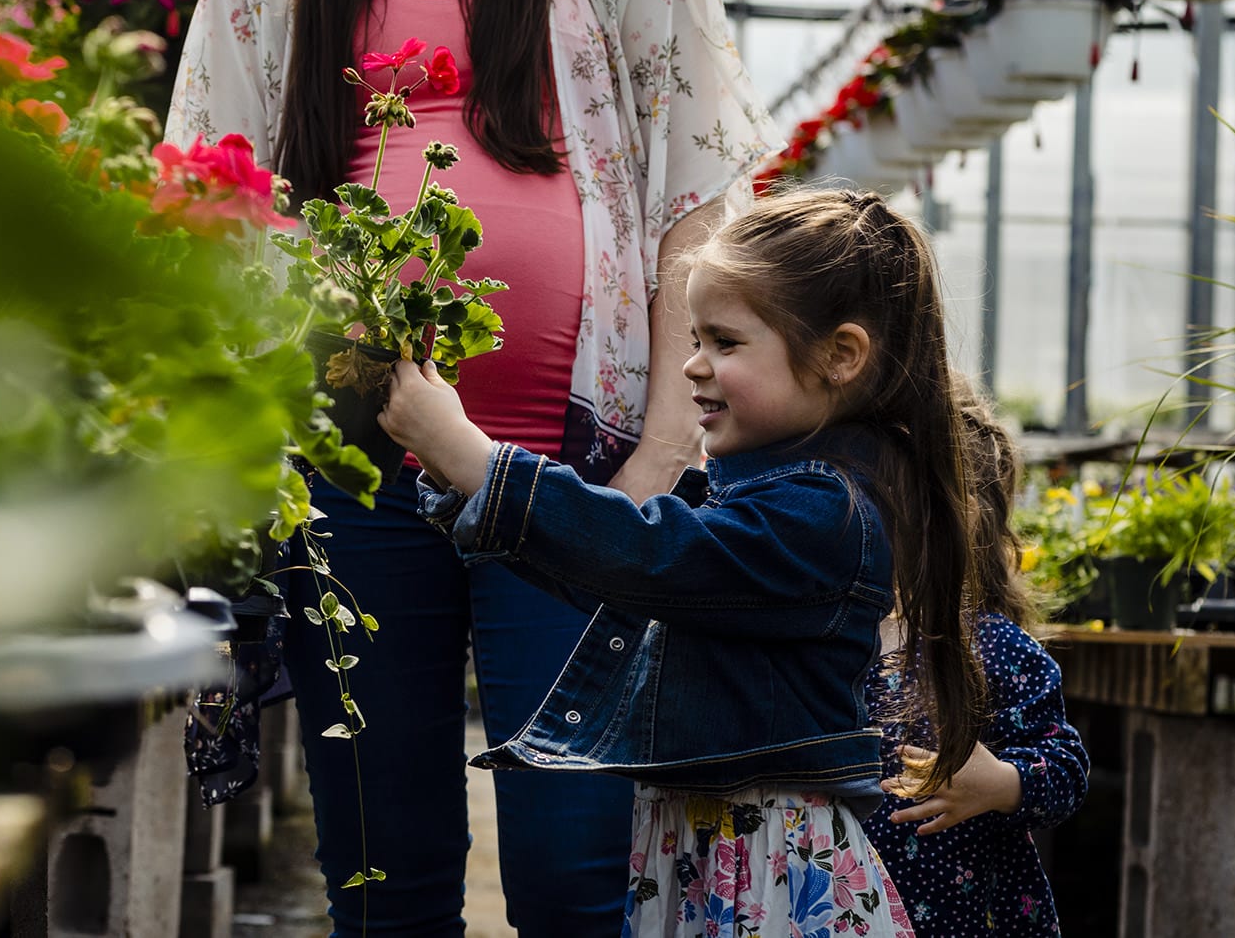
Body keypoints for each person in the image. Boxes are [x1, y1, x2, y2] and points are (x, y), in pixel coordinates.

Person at [164, 0, 775, 933]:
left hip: (575, 476)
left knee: (572, 878)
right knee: (386, 880)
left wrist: (661, 464)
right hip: (350, 491)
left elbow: (699, 211)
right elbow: (206, 215)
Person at [380, 185, 988, 937]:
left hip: (768, 874)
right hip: (712, 851)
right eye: (695, 338)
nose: (694, 366)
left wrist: (479, 462)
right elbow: (619, 576)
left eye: (725, 343)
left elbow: (649, 555)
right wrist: (460, 482)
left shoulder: (824, 515)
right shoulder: (764, 497)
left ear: (840, 355)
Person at [864, 378, 1089, 934]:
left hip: (966, 918)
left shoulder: (992, 649)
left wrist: (1002, 783)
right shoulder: (828, 639)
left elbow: (1067, 769)